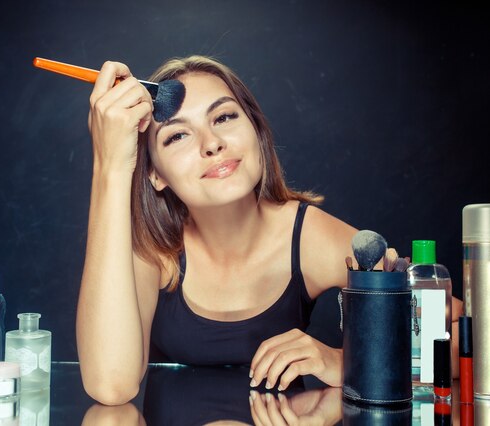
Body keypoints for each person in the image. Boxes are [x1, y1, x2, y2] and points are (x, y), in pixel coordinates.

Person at [75, 55, 463, 406]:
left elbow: (460, 336)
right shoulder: (153, 250)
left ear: (257, 130)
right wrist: (109, 166)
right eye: (177, 135)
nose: (212, 144)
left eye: (224, 117)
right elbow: (111, 385)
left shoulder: (307, 234)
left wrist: (345, 361)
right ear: (155, 174)